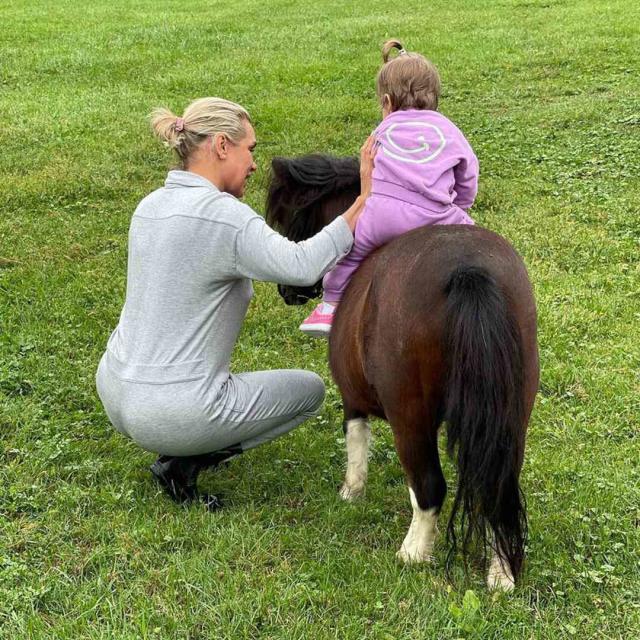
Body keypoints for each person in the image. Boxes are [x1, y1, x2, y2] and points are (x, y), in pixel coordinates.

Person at [96, 97, 376, 509]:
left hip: (114, 390)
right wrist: (363, 200)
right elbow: (300, 267)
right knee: (310, 391)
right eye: (251, 149)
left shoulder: (149, 206)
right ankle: (181, 465)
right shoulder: (225, 216)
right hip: (172, 414)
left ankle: (180, 442)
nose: (255, 164)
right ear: (222, 145)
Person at [300, 39, 479, 337]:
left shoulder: (382, 129)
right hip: (434, 216)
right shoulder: (448, 130)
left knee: (351, 254)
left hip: (381, 216)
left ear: (386, 102)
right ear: (435, 96)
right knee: (477, 241)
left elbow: (368, 163)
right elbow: (468, 172)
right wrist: (461, 206)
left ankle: (329, 307)